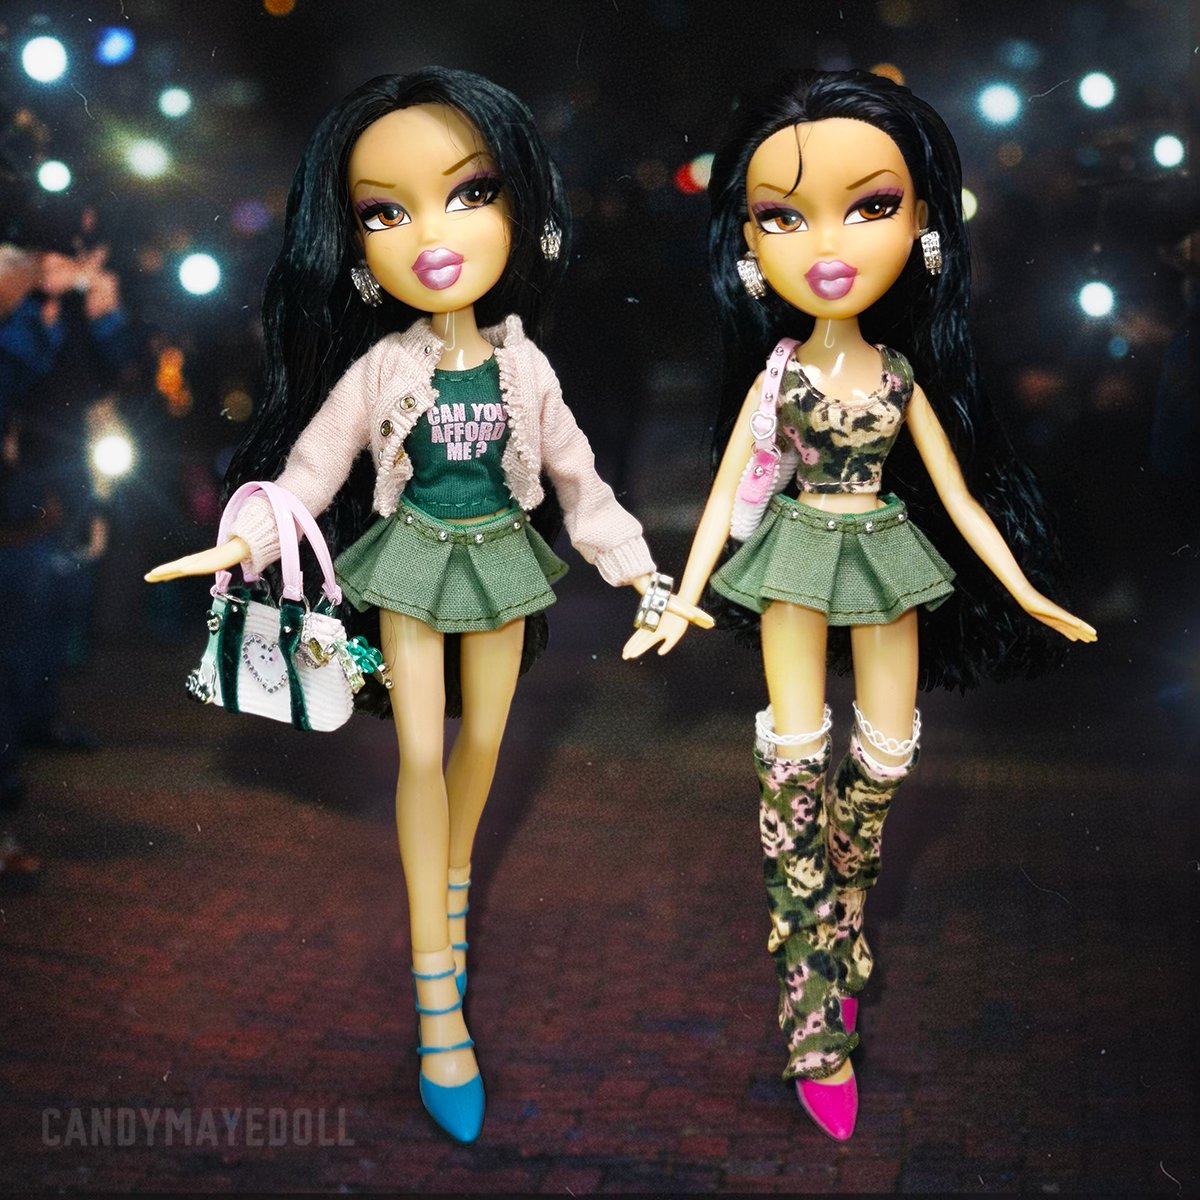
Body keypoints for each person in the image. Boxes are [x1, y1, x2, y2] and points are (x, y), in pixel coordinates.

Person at [145, 68, 708, 1144]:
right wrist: (245, 539)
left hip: (500, 561)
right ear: (358, 248)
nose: (432, 235)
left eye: (469, 193)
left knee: (485, 741)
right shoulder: (381, 367)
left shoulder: (525, 368)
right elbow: (313, 470)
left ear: (519, 213)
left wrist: (641, 572)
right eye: (385, 212)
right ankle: (435, 997)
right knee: (417, 755)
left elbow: (581, 480)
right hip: (408, 561)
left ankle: (451, 883)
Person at [624, 68, 1096, 1141]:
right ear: (750, 245)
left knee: (881, 763)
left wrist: (1027, 590)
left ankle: (841, 909)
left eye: (871, 206)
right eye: (784, 216)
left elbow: (962, 501)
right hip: (796, 557)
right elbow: (730, 496)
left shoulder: (900, 378)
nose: (827, 246)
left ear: (924, 226)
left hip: (886, 556)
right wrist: (679, 595)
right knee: (793, 768)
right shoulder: (780, 377)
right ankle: (811, 1013)